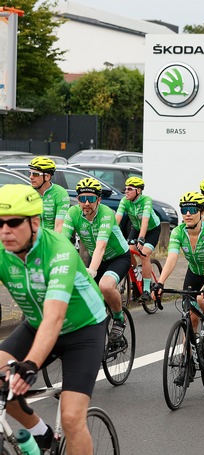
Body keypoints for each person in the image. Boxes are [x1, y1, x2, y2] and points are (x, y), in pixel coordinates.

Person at [0, 184, 107, 455]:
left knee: (71, 418)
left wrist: (30, 364)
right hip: (37, 325)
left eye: (13, 223)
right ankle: (41, 434)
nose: (5, 232)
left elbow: (55, 316)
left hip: (83, 330)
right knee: (3, 385)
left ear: (35, 222)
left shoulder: (59, 251)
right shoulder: (2, 250)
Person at [152, 192, 204, 375]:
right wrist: (160, 283)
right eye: (184, 210)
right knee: (191, 317)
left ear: (201, 212)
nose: (187, 214)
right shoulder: (178, 232)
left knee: (203, 300)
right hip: (194, 273)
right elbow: (171, 258)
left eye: (192, 210)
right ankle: (188, 360)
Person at [62, 178, 132, 342]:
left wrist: (92, 271)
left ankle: (119, 318)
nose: (86, 203)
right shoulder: (73, 213)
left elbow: (101, 246)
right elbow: (62, 242)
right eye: (82, 198)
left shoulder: (106, 213)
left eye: (91, 199)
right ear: (77, 199)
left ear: (98, 200)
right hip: (97, 259)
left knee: (105, 286)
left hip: (118, 257)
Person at [115, 176, 161, 302]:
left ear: (138, 191)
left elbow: (145, 221)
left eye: (130, 189)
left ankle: (146, 289)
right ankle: (136, 272)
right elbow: (117, 219)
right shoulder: (125, 201)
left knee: (144, 254)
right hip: (136, 228)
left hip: (152, 229)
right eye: (125, 189)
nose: (126, 191)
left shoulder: (146, 200)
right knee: (127, 250)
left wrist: (141, 239)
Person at [28, 156, 69, 233]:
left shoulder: (60, 193)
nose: (31, 177)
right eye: (29, 173)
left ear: (47, 177)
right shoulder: (27, 192)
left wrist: (53, 244)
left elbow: (59, 226)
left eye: (35, 174)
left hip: (52, 239)